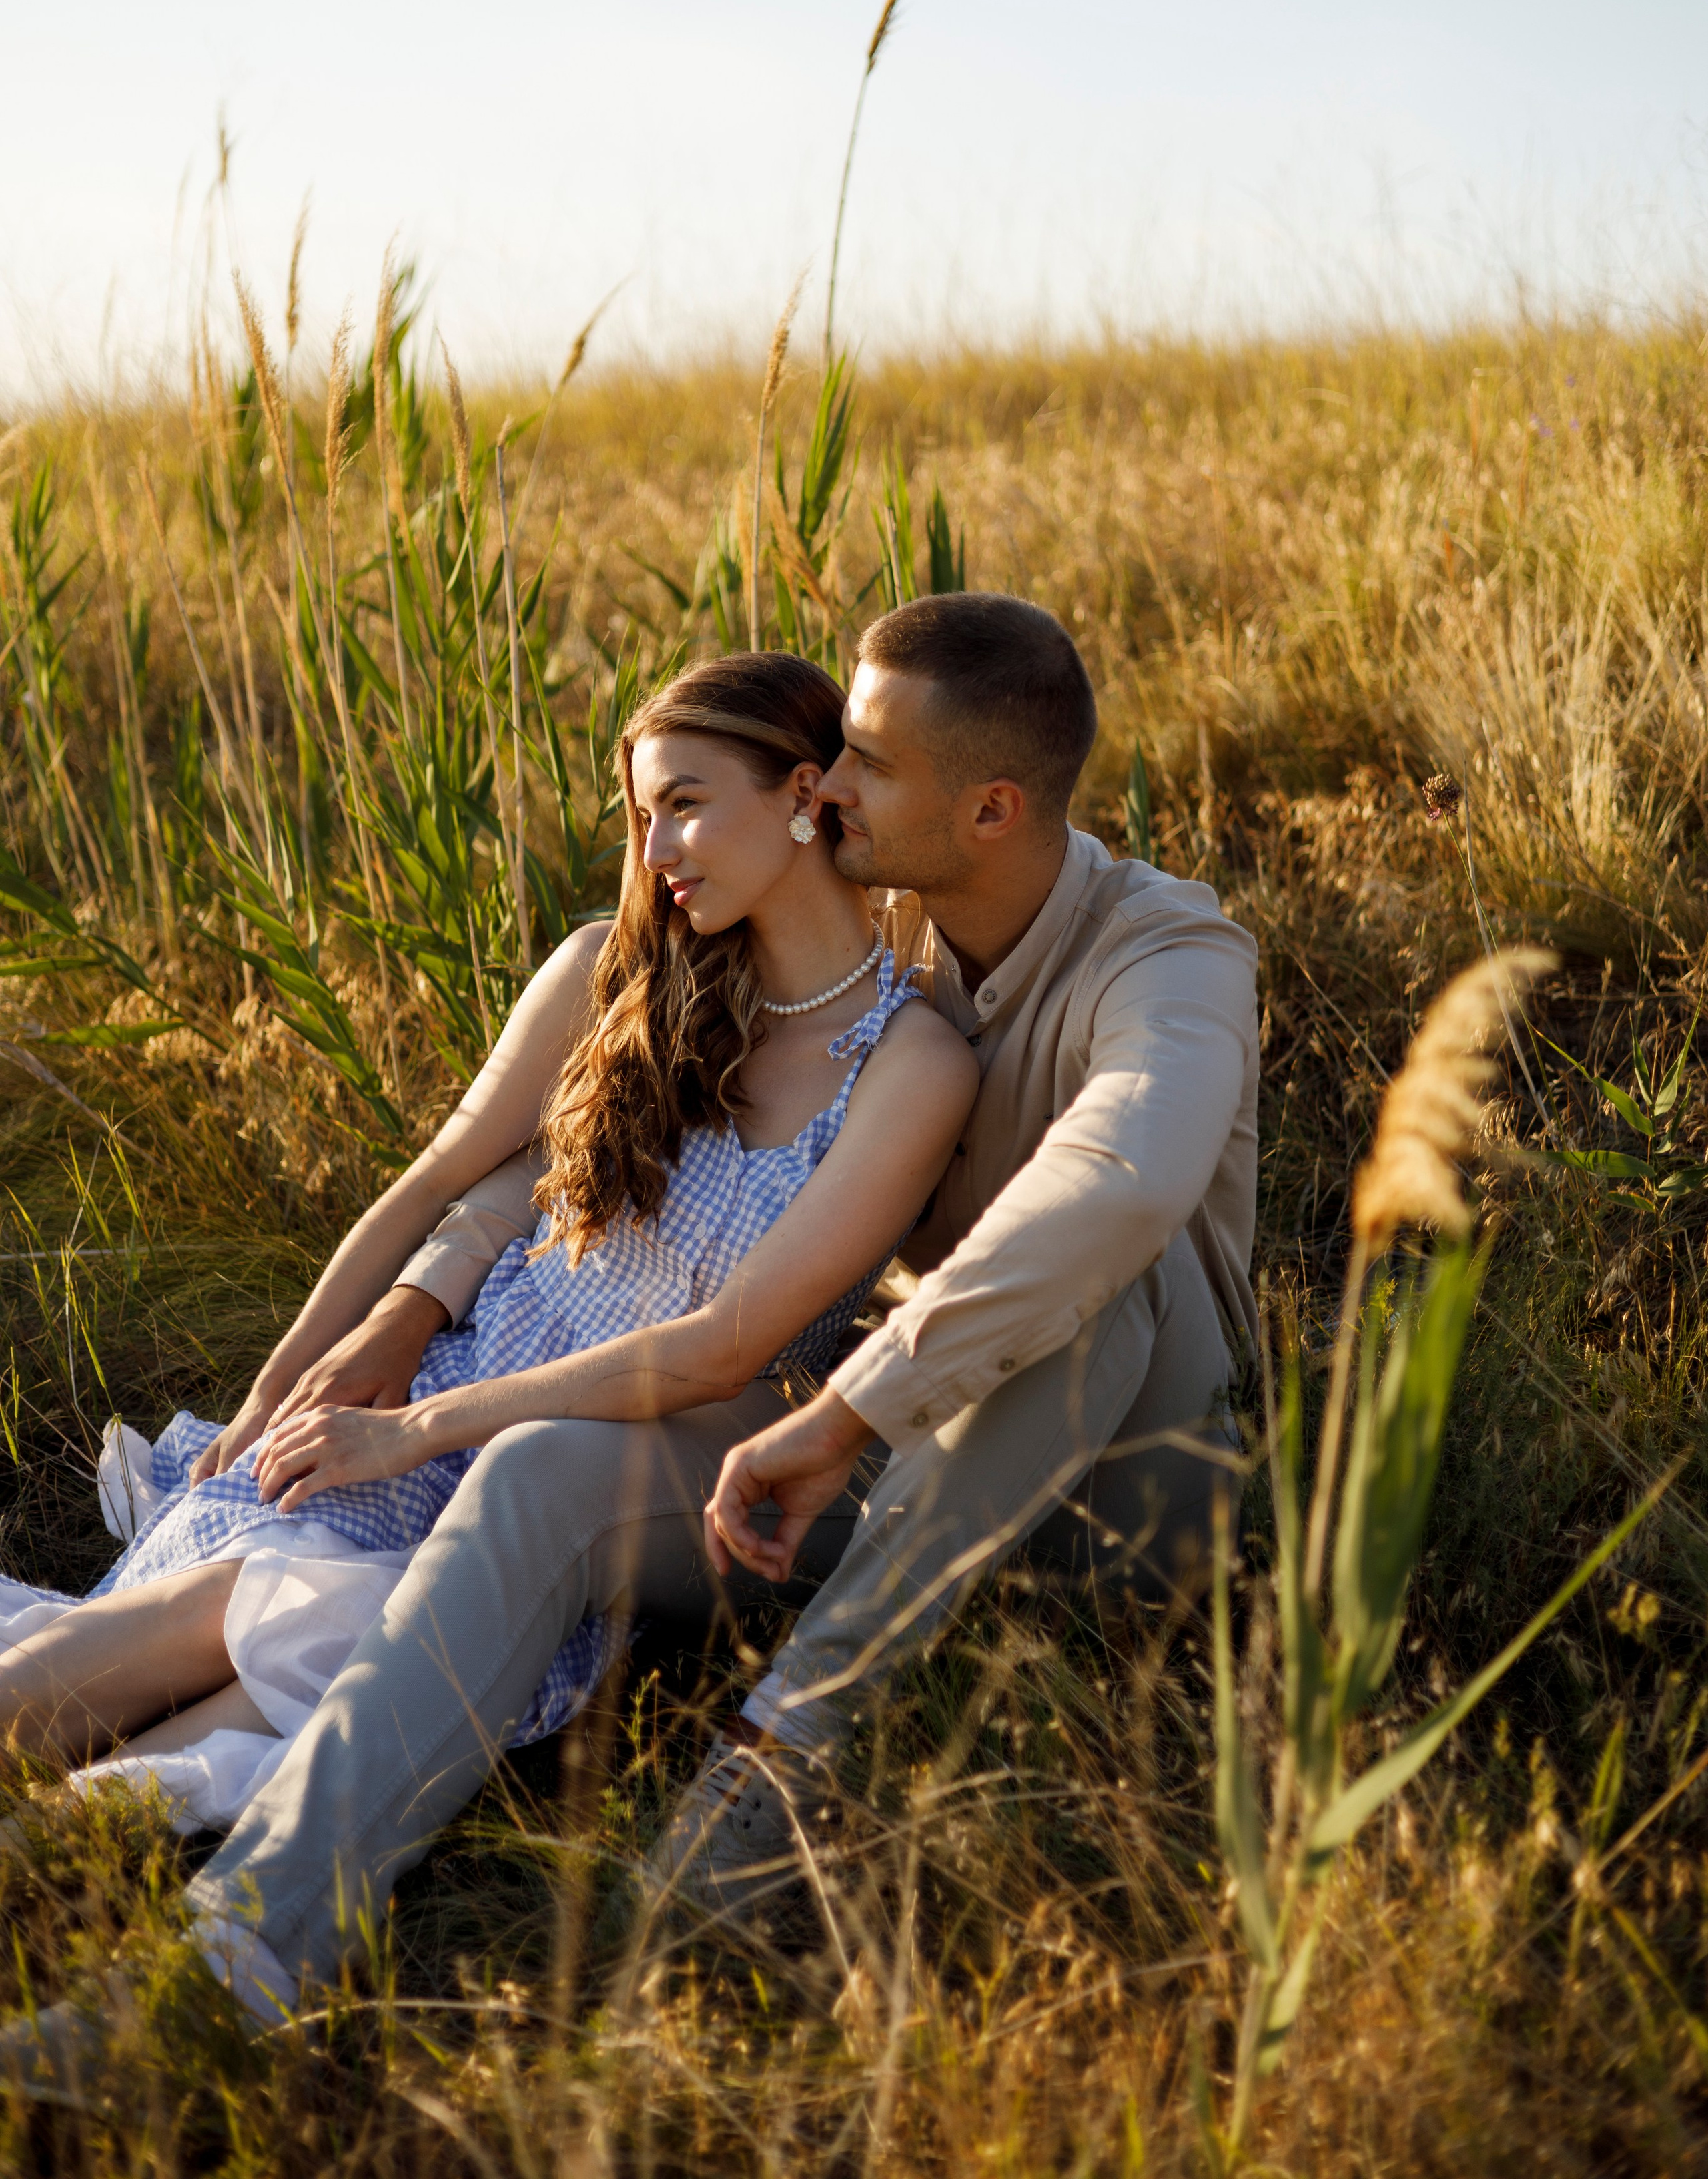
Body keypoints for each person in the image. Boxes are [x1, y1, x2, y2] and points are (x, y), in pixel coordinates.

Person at [2, 592, 1257, 2084]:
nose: (826, 784)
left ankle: (782, 1751)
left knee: (1094, 1267)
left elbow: (1118, 1177)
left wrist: (844, 1408)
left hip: (1114, 1490)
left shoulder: (1170, 955)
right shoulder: (875, 917)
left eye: (859, 764)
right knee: (535, 1469)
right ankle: (236, 1961)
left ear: (986, 808)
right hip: (868, 1450)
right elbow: (571, 1164)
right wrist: (420, 1308)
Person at [0, 653, 974, 1837]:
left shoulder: (910, 1063)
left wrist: (415, 1429)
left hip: (551, 1484)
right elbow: (441, 1180)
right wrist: (283, 1392)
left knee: (160, 1750)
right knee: (208, 1612)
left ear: (802, 793)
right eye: (641, 815)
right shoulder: (616, 974)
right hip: (431, 1404)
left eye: (684, 805)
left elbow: (728, 1349)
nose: (655, 853)